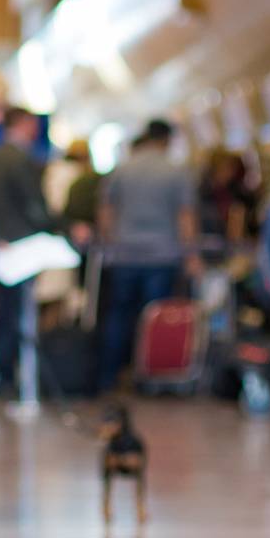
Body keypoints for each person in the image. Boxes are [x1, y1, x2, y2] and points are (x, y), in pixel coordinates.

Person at [97, 119, 196, 391]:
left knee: (119, 315)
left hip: (124, 254)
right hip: (162, 256)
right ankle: (148, 379)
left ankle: (109, 375)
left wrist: (110, 241)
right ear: (167, 139)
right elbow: (184, 216)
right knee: (154, 320)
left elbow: (106, 210)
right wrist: (191, 254)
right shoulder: (176, 171)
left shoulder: (121, 169)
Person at [0, 106, 53, 399]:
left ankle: (3, 376)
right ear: (22, 124)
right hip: (23, 247)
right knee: (21, 315)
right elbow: (34, 206)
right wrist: (57, 228)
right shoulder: (24, 159)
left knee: (3, 313)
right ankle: (19, 383)